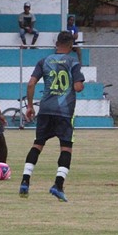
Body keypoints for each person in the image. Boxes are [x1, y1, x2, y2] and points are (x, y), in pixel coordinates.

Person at [18, 31, 85, 202]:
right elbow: (78, 87)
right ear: (71, 45)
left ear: (56, 43)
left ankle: (25, 181)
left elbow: (31, 83)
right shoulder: (73, 62)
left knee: (38, 144)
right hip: (63, 111)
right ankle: (58, 185)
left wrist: (31, 106)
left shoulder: (44, 61)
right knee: (66, 148)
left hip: (46, 109)